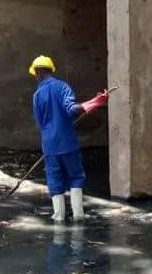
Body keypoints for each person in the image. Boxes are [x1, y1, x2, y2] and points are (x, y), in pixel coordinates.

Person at [29, 55, 110, 222]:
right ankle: (79, 215)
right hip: (67, 143)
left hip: (50, 145)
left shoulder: (37, 95)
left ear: (37, 72)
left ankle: (58, 216)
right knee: (76, 176)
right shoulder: (62, 87)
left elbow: (40, 123)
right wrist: (95, 102)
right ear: (50, 70)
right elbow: (71, 110)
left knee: (54, 178)